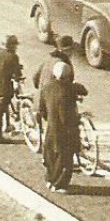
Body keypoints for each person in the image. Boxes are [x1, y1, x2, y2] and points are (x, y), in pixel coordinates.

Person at [38, 61, 85, 193]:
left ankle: (50, 180)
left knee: (51, 154)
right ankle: (60, 184)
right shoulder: (69, 89)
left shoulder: (47, 87)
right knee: (66, 157)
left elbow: (42, 109)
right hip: (66, 128)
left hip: (51, 126)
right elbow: (82, 92)